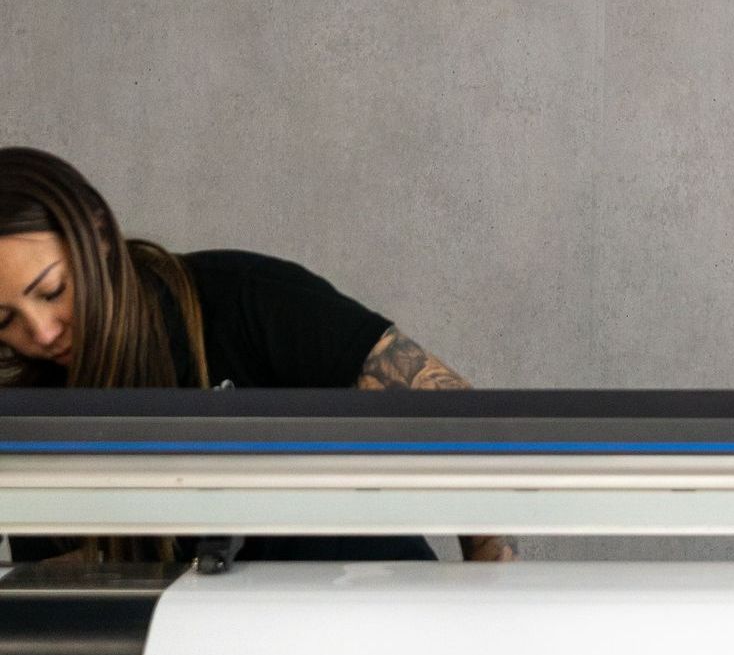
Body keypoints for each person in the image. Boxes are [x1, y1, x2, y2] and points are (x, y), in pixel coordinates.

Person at [0, 145, 511, 564]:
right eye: (4, 320)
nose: (42, 332)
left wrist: (485, 614)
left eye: (54, 290)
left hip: (377, 635)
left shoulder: (242, 300)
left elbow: (460, 426)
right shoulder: (27, 418)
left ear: (99, 236)